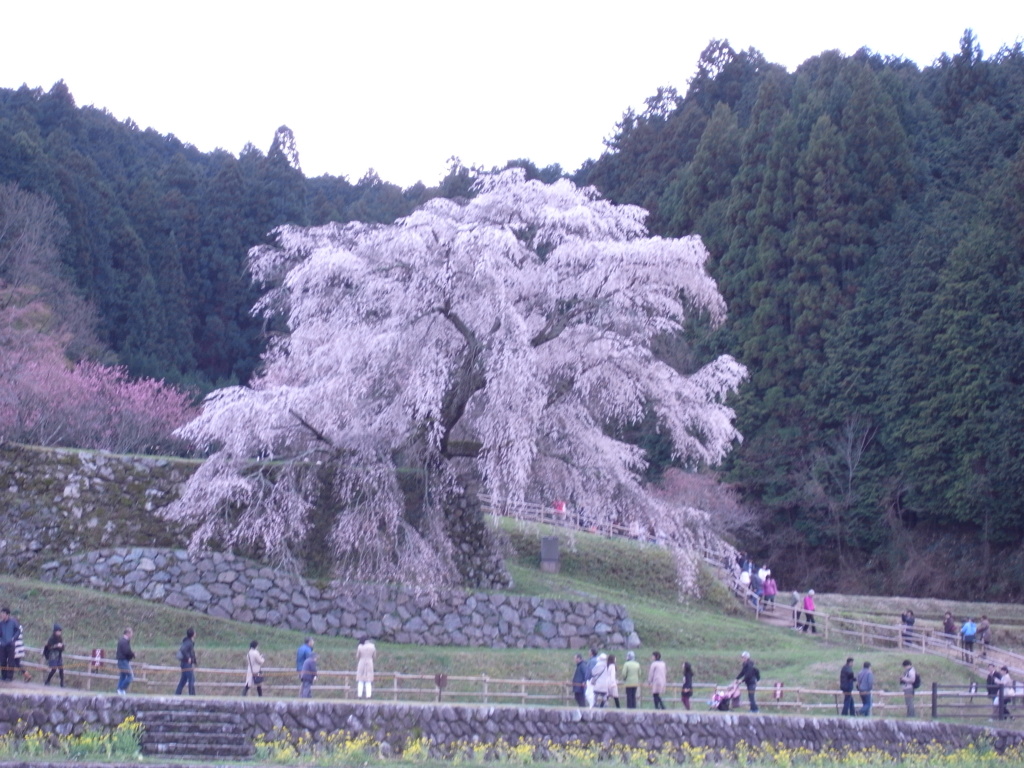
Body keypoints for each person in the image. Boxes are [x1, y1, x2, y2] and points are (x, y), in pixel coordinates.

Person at [175, 627, 197, 695]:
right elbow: (183, 649)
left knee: (183, 680)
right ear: (193, 634)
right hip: (186, 664)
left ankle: (177, 694)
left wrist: (194, 661)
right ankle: (192, 695)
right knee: (191, 679)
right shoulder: (188, 642)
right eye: (195, 632)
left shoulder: (188, 642)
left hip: (184, 663)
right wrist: (188, 658)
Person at [0, 608, 19, 682]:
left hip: (10, 644)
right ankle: (3, 676)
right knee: (2, 661)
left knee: (11, 661)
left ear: (7, 614)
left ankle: (9, 677)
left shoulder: (13, 622)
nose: (1, 615)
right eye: (1, 613)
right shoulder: (1, 623)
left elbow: (18, 631)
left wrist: (13, 639)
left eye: (3, 613)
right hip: (2, 645)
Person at [116, 627, 135, 695]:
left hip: (121, 660)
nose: (132, 635)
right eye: (131, 633)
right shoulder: (124, 641)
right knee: (130, 676)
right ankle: (121, 688)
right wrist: (133, 655)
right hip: (123, 661)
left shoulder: (122, 641)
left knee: (123, 676)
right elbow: (126, 651)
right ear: (128, 633)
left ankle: (119, 690)